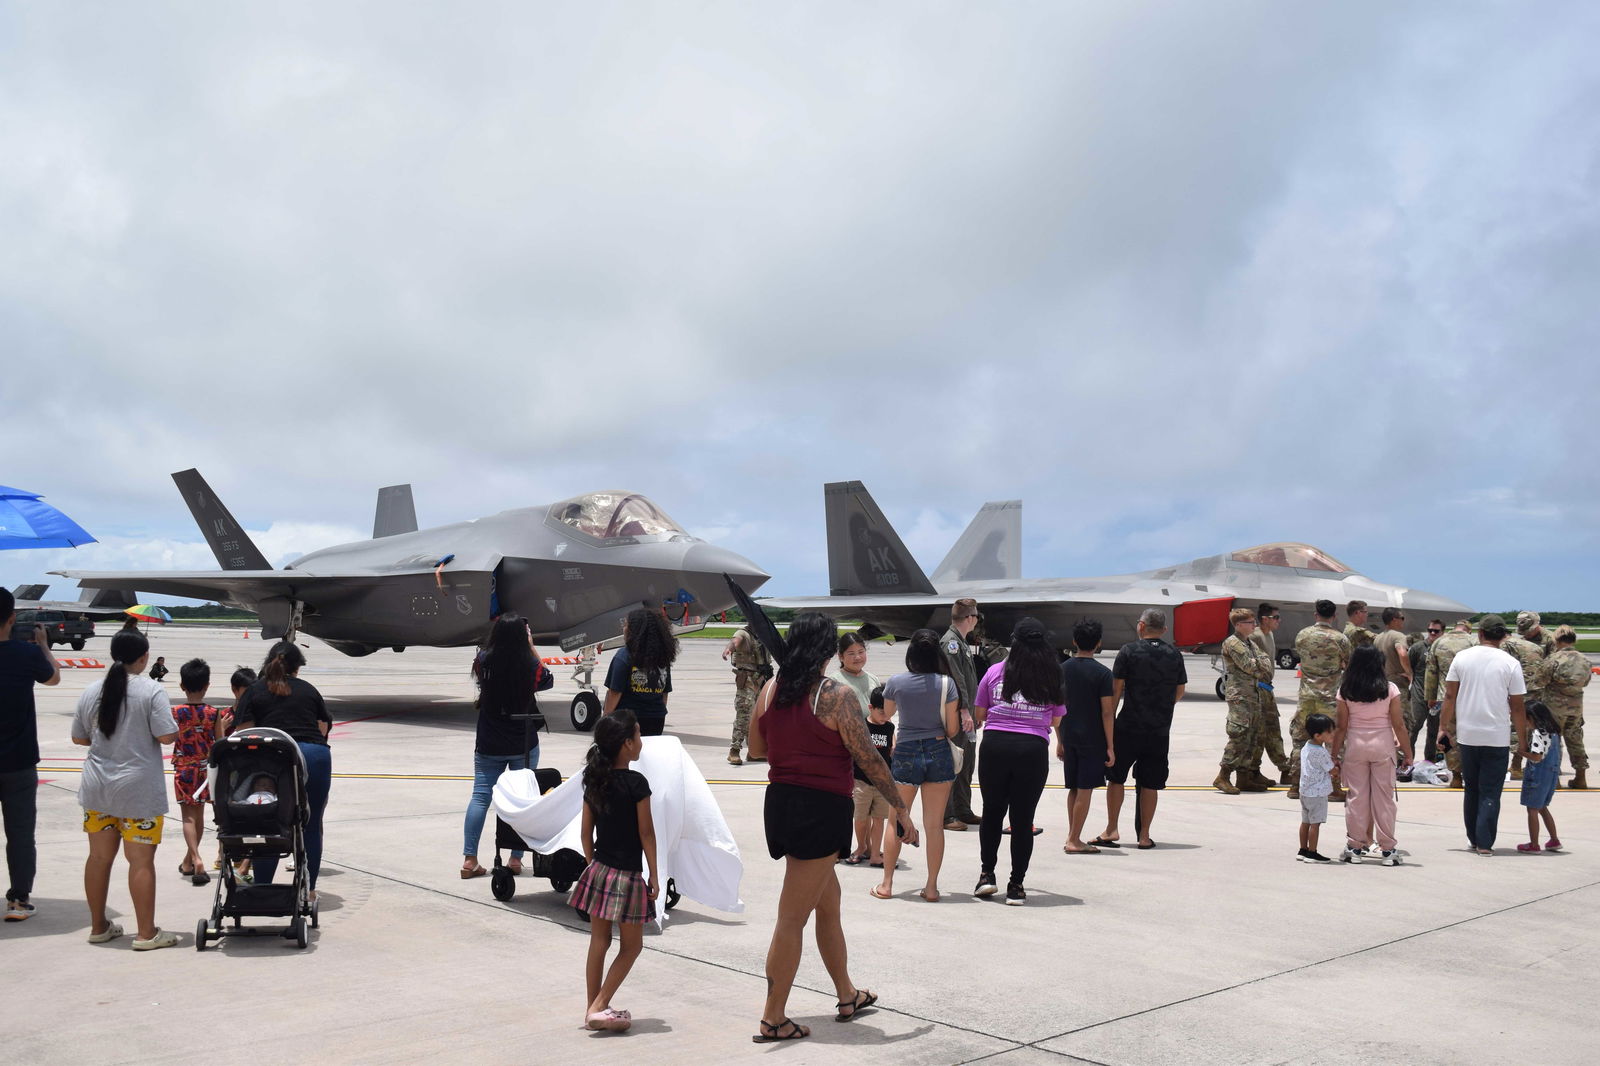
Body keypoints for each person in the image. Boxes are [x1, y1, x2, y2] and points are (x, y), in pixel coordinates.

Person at [748, 611, 916, 1043]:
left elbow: (756, 746)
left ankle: (847, 994)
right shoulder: (835, 695)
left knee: (829, 903)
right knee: (791, 918)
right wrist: (900, 809)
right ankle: (773, 1017)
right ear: (828, 651)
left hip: (781, 802)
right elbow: (869, 757)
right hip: (820, 809)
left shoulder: (770, 689)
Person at [72, 630, 180, 950]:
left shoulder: (92, 690)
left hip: (98, 787)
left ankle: (99, 926)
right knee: (140, 862)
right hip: (138, 791)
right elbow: (166, 736)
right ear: (144, 658)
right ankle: (146, 933)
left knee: (98, 858)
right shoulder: (151, 690)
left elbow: (79, 737)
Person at [569, 709, 658, 1033]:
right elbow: (646, 833)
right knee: (632, 946)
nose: (641, 741)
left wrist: (593, 864)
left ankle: (592, 1008)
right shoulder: (637, 784)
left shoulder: (594, 780)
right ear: (626, 744)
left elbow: (585, 834)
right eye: (638, 734)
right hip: (627, 875)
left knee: (599, 940)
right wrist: (655, 874)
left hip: (600, 870)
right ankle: (599, 1005)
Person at [971, 618, 1065, 905]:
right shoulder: (1051, 674)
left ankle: (987, 875)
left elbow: (980, 713)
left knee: (992, 812)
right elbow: (1057, 719)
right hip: (1031, 750)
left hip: (995, 747)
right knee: (1023, 820)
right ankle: (1017, 885)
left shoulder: (995, 671)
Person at [233, 642, 333, 894]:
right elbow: (322, 728)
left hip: (274, 756)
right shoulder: (309, 690)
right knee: (311, 823)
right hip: (314, 755)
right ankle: (309, 890)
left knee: (266, 820)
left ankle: (262, 888)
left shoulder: (254, 690)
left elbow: (244, 732)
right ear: (297, 668)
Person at [462, 614, 552, 879]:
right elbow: (547, 679)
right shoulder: (528, 663)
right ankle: (515, 858)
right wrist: (531, 647)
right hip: (522, 740)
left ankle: (470, 859)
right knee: (523, 798)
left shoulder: (483, 660)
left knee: (480, 797)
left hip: (490, 739)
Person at [873, 630, 960, 900]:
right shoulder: (946, 683)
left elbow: (888, 713)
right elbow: (953, 729)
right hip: (938, 749)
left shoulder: (896, 682)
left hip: (907, 750)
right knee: (934, 825)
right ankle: (931, 887)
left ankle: (887, 884)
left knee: (895, 819)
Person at [1438, 615, 1529, 855]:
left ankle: (1473, 837)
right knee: (1490, 791)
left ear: (1480, 634)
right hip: (1496, 737)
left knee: (1472, 789)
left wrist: (1442, 728)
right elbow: (1518, 706)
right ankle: (1484, 843)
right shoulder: (1510, 663)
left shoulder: (1462, 658)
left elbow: (1449, 696)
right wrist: (1522, 740)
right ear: (1503, 636)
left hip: (1468, 735)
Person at [1097, 608, 1187, 849]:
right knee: (1150, 782)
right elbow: (1179, 690)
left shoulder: (1128, 651)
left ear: (1141, 625)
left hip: (1129, 726)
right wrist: (1162, 707)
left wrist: (1109, 723)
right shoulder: (1174, 654)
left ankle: (1112, 828)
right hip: (1159, 730)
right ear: (1164, 630)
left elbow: (1116, 690)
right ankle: (1144, 835)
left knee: (1116, 778)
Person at [0, 587, 60, 922]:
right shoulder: (26, 654)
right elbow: (53, 679)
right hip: (19, 762)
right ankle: (19, 901)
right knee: (21, 835)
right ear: (12, 618)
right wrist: (43, 646)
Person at [1332, 646, 1409, 866]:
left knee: (1356, 797)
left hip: (1356, 745)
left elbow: (1341, 727)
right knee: (1384, 798)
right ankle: (1387, 849)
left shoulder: (1346, 690)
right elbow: (1398, 724)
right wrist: (1408, 753)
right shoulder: (1389, 689)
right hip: (1383, 745)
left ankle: (1355, 846)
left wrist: (1334, 755)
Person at [1058, 620, 1114, 854]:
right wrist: (1110, 746)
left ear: (1074, 641)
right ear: (1098, 643)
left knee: (1073, 788)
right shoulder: (1103, 674)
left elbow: (1057, 707)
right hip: (1092, 738)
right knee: (1085, 789)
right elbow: (1107, 712)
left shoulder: (1062, 670)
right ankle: (1074, 840)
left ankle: (1072, 834)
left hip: (1068, 735)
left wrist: (1059, 740)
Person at [1289, 600, 1352, 801]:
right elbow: (1348, 663)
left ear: (1316, 615)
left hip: (1307, 698)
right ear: (1334, 616)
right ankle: (1334, 787)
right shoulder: (1340, 639)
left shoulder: (1303, 635)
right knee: (1334, 743)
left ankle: (1295, 785)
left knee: (1300, 741)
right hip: (1329, 698)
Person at [171, 658, 219, 886]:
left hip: (184, 768)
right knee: (199, 816)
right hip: (205, 770)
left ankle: (196, 859)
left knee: (188, 817)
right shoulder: (213, 713)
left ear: (182, 685)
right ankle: (189, 861)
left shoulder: (175, 712)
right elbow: (220, 742)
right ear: (207, 685)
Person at [1217, 608, 1273, 795]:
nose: (1254, 625)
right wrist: (1260, 663)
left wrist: (1260, 663)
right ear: (1239, 625)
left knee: (1253, 736)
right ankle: (1223, 776)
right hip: (1240, 696)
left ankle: (1244, 777)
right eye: (1250, 622)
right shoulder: (1233, 643)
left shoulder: (1249, 643)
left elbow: (1266, 663)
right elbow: (1250, 666)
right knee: (1239, 735)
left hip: (1252, 694)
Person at [603, 607, 678, 737]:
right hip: (656, 720)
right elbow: (664, 693)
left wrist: (605, 720)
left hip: (627, 721)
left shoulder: (624, 656)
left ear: (634, 630)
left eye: (626, 625)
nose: (624, 628)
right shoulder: (662, 658)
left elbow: (614, 692)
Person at [940, 599, 982, 831]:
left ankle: (963, 810)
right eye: (976, 616)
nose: (977, 620)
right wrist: (965, 710)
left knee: (966, 763)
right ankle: (947, 815)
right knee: (953, 762)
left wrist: (974, 711)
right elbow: (956, 679)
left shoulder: (961, 641)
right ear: (970, 618)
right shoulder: (951, 643)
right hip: (957, 714)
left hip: (967, 715)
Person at [843, 686, 894, 867]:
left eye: (888, 712)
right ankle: (861, 847)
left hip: (881, 783)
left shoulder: (889, 727)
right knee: (860, 818)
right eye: (881, 712)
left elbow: (890, 752)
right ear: (871, 708)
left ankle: (875, 853)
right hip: (861, 781)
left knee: (879, 819)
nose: (885, 716)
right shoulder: (861, 726)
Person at [1535, 625, 1591, 789]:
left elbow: (1540, 681)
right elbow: (1585, 682)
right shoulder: (1585, 660)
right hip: (1576, 706)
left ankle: (1555, 779)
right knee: (1575, 739)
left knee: (1553, 741)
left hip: (1554, 707)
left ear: (1556, 640)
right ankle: (1580, 777)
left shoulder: (1553, 659)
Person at [1242, 603, 1289, 788]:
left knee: (1273, 730)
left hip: (1267, 688)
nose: (1279, 621)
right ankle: (1252, 771)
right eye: (1275, 617)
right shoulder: (1255, 636)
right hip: (1258, 689)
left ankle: (1284, 769)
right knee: (1260, 733)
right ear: (1264, 619)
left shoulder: (1269, 635)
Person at [1425, 620, 1476, 787]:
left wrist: (1430, 697)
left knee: (1447, 734)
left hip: (1445, 696)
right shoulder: (1473, 642)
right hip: (1470, 697)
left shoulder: (1439, 642)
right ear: (1468, 630)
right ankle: (1470, 772)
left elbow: (1431, 672)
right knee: (1470, 735)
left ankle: (1456, 775)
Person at [1501, 617, 1545, 780]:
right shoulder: (1534, 646)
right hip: (1538, 689)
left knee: (1517, 726)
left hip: (1521, 690)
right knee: (1534, 726)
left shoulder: (1507, 645)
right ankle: (1535, 762)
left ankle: (1516, 765)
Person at [722, 624, 772, 765]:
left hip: (761, 680)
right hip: (748, 681)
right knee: (743, 715)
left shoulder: (762, 634)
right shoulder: (743, 633)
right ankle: (734, 751)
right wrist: (728, 649)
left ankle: (754, 752)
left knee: (758, 718)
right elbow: (735, 641)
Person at [1517, 700, 1563, 853]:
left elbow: (1537, 757)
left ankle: (1534, 844)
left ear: (1532, 717)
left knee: (1532, 809)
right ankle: (1554, 839)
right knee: (1542, 807)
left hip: (1538, 775)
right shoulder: (1554, 733)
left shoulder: (1538, 733)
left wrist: (1522, 753)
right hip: (1551, 775)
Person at [1296, 713, 1336, 863]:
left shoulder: (1306, 747)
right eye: (1329, 732)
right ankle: (1312, 852)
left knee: (1305, 822)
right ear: (1318, 736)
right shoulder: (1321, 752)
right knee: (1315, 824)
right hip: (1317, 794)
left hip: (1305, 791)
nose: (1332, 734)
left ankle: (1302, 849)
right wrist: (1337, 770)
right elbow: (1332, 770)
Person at [1405, 623, 1442, 764]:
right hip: (1419, 694)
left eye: (1436, 631)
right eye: (1430, 630)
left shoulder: (1442, 648)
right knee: (1414, 727)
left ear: (1442, 632)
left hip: (1438, 697)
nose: (1432, 633)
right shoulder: (1418, 648)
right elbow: (1408, 667)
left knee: (1435, 730)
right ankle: (1408, 759)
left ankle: (1431, 760)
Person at [828, 632, 880, 718]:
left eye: (861, 652)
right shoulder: (833, 681)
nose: (857, 657)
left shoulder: (873, 679)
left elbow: (883, 708)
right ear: (841, 656)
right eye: (851, 653)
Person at [1372, 608, 1414, 713]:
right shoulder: (1398, 636)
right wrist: (1409, 673)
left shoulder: (1377, 638)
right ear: (1394, 619)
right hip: (1398, 685)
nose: (1403, 621)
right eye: (1402, 618)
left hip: (1382, 684)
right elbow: (1402, 653)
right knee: (1404, 717)